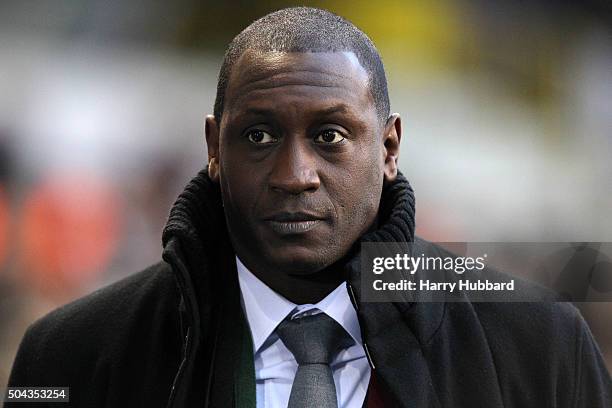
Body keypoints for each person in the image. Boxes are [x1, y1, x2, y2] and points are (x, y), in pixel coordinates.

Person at [5, 7, 611, 408]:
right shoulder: (69, 355)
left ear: (389, 146)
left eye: (330, 137)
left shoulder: (541, 346)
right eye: (260, 137)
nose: (295, 176)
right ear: (214, 148)